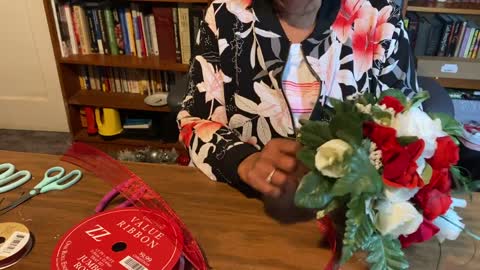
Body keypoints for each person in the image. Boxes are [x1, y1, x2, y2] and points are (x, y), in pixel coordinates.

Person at [177, 0, 418, 198]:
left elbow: (408, 128)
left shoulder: (382, 20)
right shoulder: (224, 15)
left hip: (347, 210)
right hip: (247, 203)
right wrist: (244, 161)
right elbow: (194, 122)